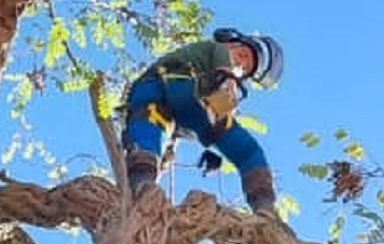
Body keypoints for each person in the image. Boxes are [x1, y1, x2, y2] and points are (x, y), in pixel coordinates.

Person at [121, 27, 285, 218]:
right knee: (148, 122)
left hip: (195, 106)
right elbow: (222, 67)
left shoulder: (225, 89)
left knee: (248, 150)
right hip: (164, 85)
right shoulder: (217, 50)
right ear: (233, 43)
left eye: (244, 69)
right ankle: (141, 182)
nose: (240, 63)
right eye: (242, 55)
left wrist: (218, 132)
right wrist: (225, 79)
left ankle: (265, 207)